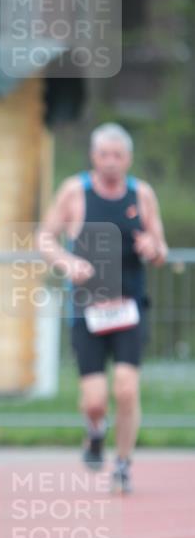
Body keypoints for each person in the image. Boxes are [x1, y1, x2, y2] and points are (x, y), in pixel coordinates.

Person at [37, 123, 168, 493]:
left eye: (118, 156)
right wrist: (66, 262)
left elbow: (161, 248)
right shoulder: (75, 191)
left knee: (126, 390)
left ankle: (123, 464)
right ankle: (95, 429)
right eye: (104, 155)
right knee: (95, 400)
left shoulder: (141, 194)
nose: (111, 162)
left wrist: (152, 249)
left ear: (128, 159)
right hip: (87, 308)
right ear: (93, 157)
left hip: (129, 307)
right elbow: (44, 237)